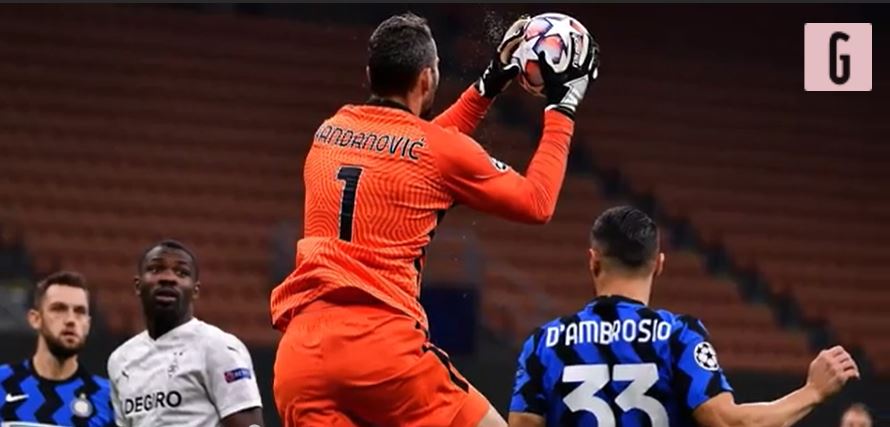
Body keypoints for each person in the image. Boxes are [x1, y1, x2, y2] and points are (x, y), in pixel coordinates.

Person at [270, 12, 599, 427]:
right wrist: (562, 108)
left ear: (370, 74)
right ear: (427, 79)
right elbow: (537, 202)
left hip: (300, 360)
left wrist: (489, 84)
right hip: (381, 352)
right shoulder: (435, 152)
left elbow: (416, 147)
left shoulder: (329, 132)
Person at [508, 206, 860, 427]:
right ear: (659, 265)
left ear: (593, 261)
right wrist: (812, 391)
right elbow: (729, 423)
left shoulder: (543, 343)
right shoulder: (677, 336)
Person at [106, 240, 263, 427]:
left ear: (195, 290)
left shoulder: (219, 347)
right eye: (156, 269)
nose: (168, 278)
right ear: (138, 285)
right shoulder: (120, 360)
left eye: (182, 272)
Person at [0, 271, 114, 426]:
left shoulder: (108, 398)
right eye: (59, 309)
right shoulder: (2, 383)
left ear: (88, 324)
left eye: (80, 311)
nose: (71, 320)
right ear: (35, 319)